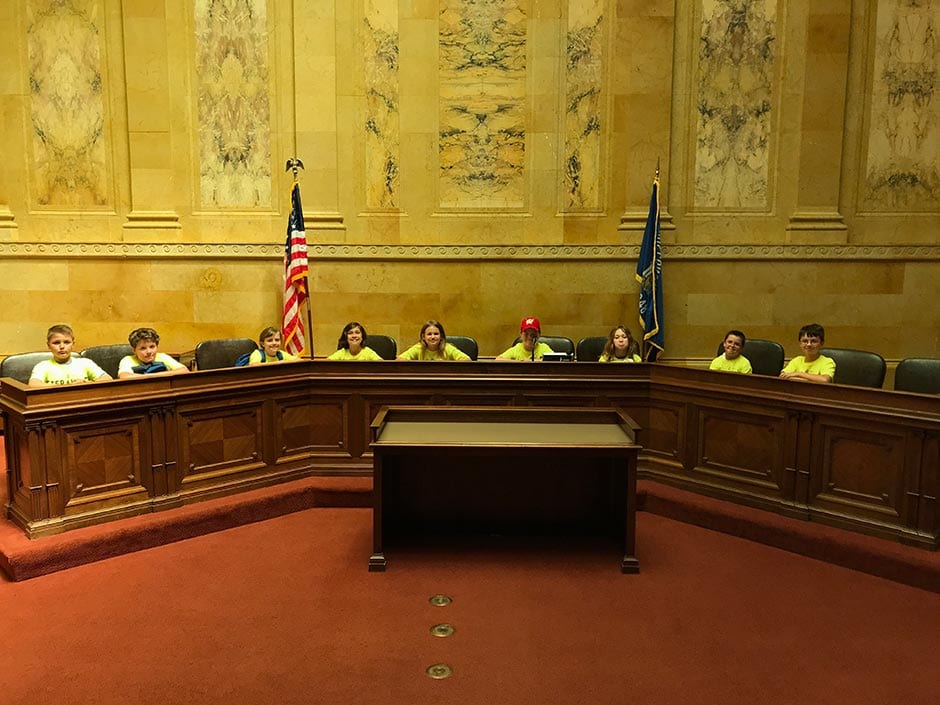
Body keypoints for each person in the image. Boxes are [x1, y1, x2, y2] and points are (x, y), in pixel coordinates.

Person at [28, 324, 112, 386]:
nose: (62, 346)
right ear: (49, 346)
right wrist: (65, 386)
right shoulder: (43, 366)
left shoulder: (85, 363)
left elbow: (108, 379)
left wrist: (86, 383)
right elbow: (33, 384)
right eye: (56, 343)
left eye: (66, 342)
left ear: (73, 344)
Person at [118, 327, 189, 378]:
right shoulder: (128, 360)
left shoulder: (163, 357)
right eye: (143, 348)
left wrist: (149, 376)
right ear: (134, 350)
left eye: (152, 347)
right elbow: (125, 377)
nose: (149, 351)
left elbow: (184, 371)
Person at [397, 320, 470, 361]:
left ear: (441, 336)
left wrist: (446, 365)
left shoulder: (447, 348)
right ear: (423, 337)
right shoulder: (419, 348)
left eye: (436, 334)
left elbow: (467, 360)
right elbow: (399, 360)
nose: (433, 337)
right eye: (429, 334)